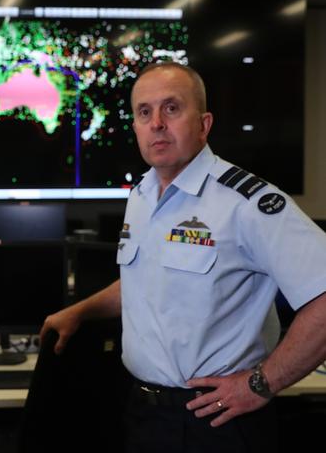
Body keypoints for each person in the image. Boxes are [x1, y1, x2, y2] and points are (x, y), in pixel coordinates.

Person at [41, 62, 326, 452]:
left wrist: (261, 384)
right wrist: (81, 311)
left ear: (204, 123)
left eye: (171, 108)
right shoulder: (141, 196)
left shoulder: (247, 203)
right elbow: (148, 281)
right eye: (144, 112)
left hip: (217, 420)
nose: (157, 122)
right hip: (143, 414)